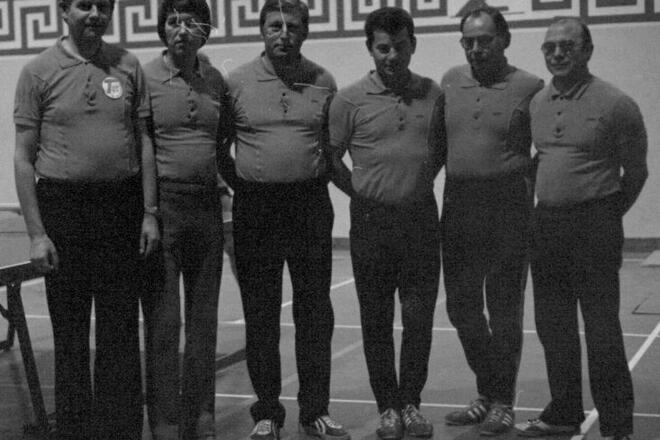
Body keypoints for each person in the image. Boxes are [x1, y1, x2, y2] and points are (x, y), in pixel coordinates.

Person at [12, 0, 159, 439]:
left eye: (103, 5)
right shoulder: (38, 71)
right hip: (64, 211)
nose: (95, 13)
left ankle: (121, 432)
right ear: (63, 9)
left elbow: (145, 143)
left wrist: (149, 213)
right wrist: (37, 234)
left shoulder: (128, 65)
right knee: (71, 335)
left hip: (121, 208)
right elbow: (23, 157)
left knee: (119, 331)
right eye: (84, 5)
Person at [219, 1, 349, 439]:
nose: (283, 33)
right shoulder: (236, 82)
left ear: (305, 32)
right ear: (261, 30)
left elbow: (331, 149)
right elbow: (220, 149)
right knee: (261, 313)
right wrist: (247, 185)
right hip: (256, 209)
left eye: (292, 26)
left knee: (315, 312)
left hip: (309, 206)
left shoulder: (323, 81)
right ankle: (267, 413)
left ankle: (315, 411)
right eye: (274, 26)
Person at [514, 18, 646, 440]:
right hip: (547, 226)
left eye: (567, 46)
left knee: (602, 329)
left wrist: (605, 214)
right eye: (549, 47)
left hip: (595, 226)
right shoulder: (537, 102)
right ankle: (564, 412)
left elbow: (637, 173)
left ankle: (617, 425)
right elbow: (541, 161)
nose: (557, 54)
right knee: (554, 327)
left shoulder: (616, 103)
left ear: (587, 50)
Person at [328, 7, 445, 440]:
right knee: (375, 319)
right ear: (370, 49)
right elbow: (331, 158)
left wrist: (414, 184)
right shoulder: (348, 99)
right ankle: (388, 408)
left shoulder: (434, 94)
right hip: (370, 223)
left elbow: (440, 151)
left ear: (413, 44)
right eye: (383, 48)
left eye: (399, 46)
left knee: (418, 317)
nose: (392, 55)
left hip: (420, 220)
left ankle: (410, 402)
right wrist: (363, 193)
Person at [439, 6, 543, 436]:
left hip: (507, 208)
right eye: (468, 41)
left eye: (484, 40)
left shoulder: (530, 86)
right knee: (461, 307)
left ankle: (501, 401)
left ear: (505, 39)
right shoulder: (449, 81)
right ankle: (489, 388)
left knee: (503, 310)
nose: (476, 48)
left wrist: (525, 183)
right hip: (459, 204)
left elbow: (549, 148)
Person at [141, 1, 227, 439]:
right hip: (164, 208)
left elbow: (223, 145)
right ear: (163, 29)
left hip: (206, 208)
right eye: (172, 22)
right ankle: (165, 420)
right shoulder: (145, 78)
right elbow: (141, 146)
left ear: (205, 30)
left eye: (191, 22)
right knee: (164, 323)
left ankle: (201, 413)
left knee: (203, 322)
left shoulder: (215, 80)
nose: (181, 30)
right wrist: (149, 212)